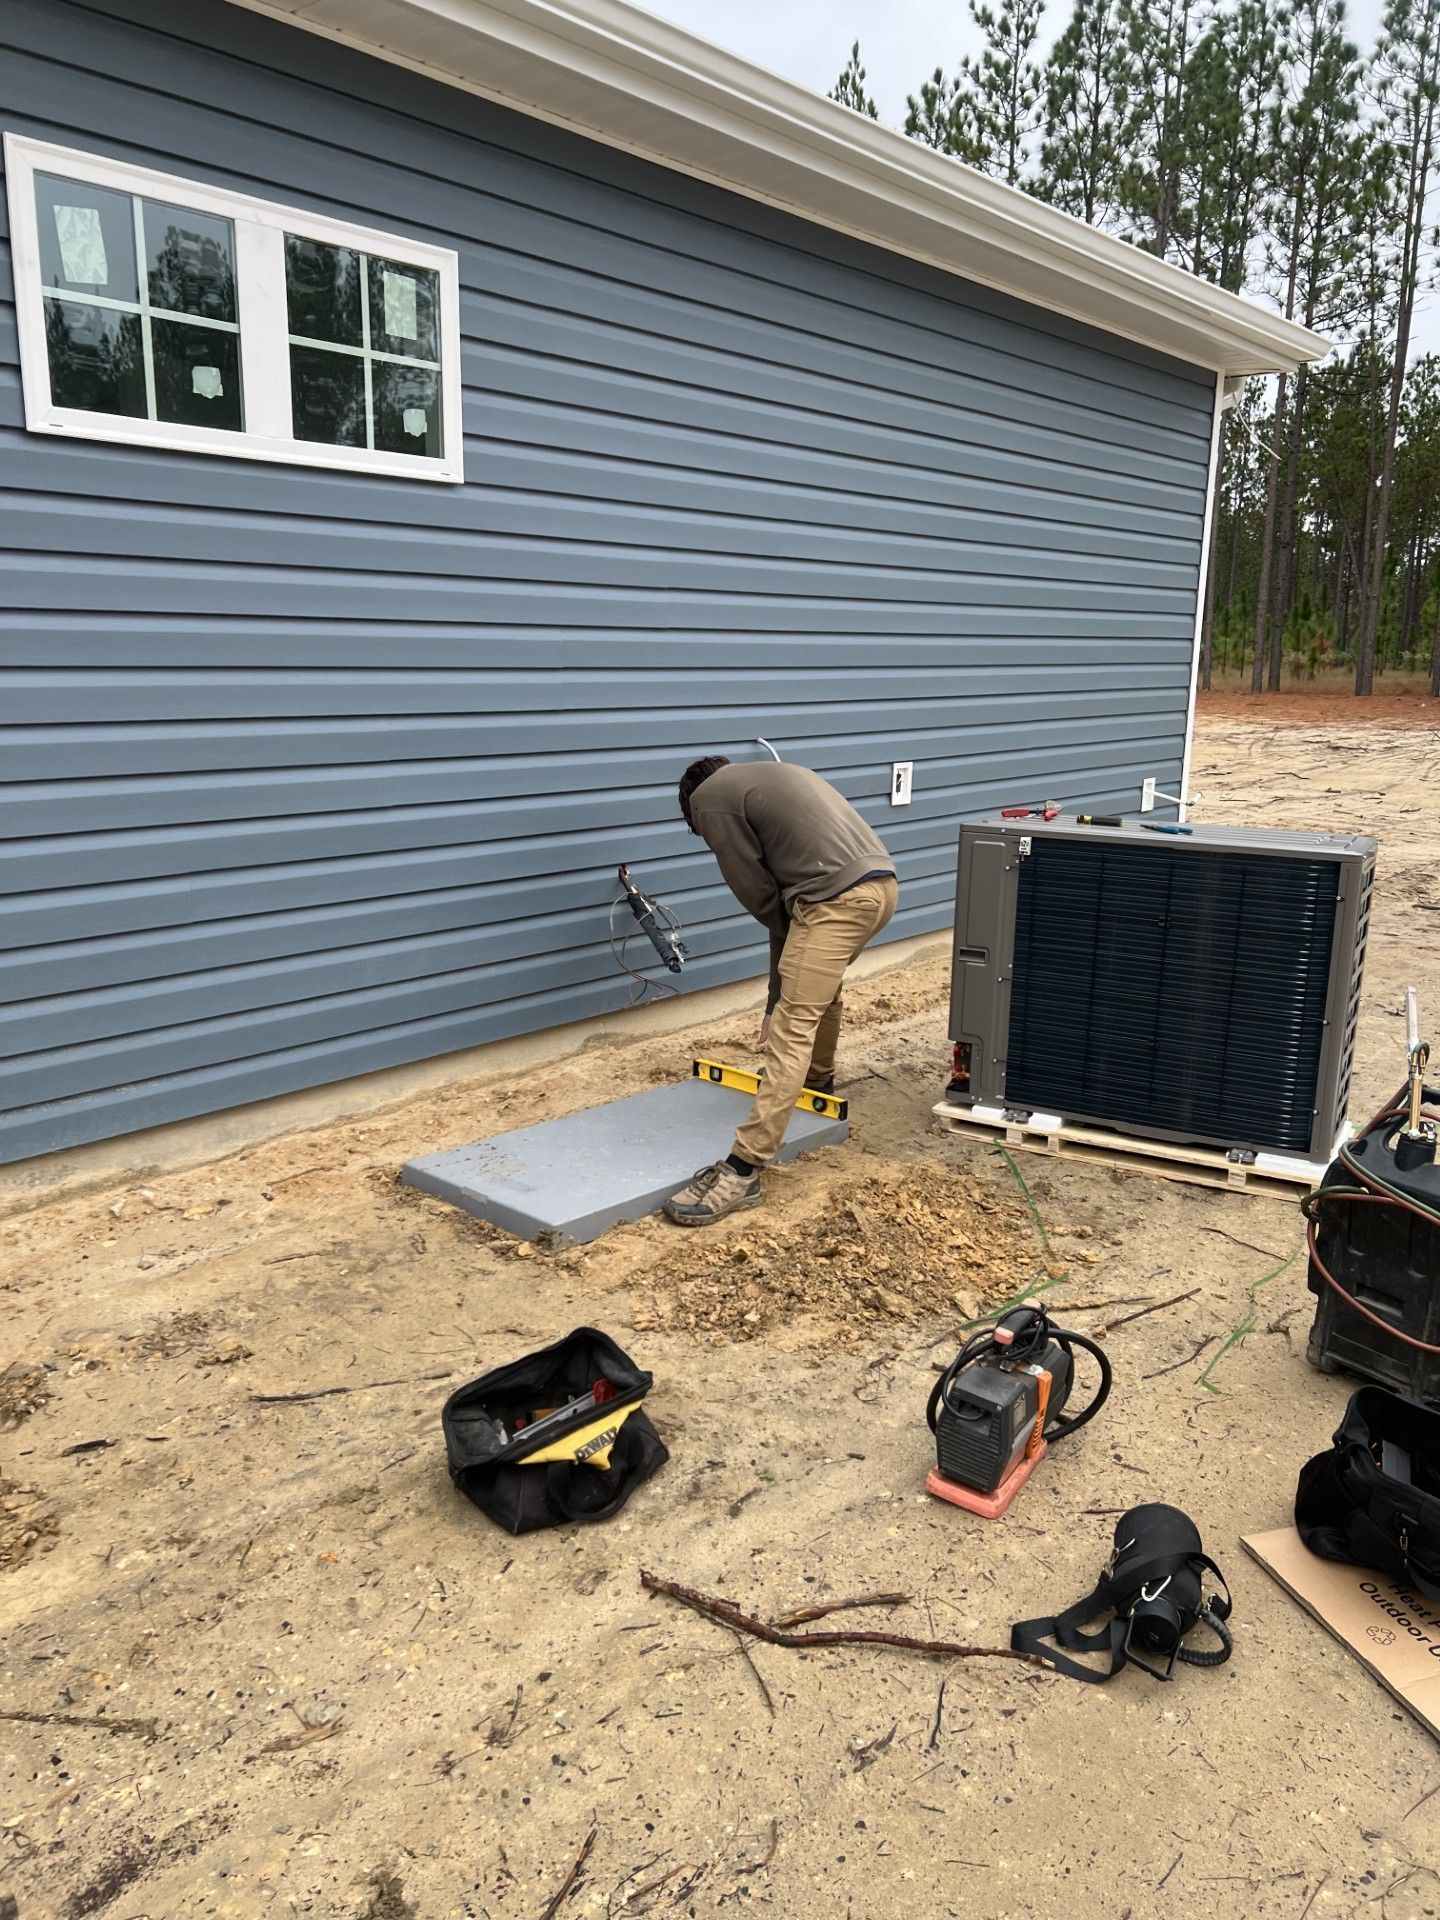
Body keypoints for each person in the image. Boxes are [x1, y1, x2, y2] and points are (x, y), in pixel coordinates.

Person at [664, 755, 898, 1226]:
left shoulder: (710, 800)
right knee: (818, 992)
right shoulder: (771, 779)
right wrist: (775, 997)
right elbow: (789, 915)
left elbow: (762, 900)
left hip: (833, 901)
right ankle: (818, 1083)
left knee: (792, 1028)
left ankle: (744, 1168)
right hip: (880, 889)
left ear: (692, 804)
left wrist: (780, 1006)